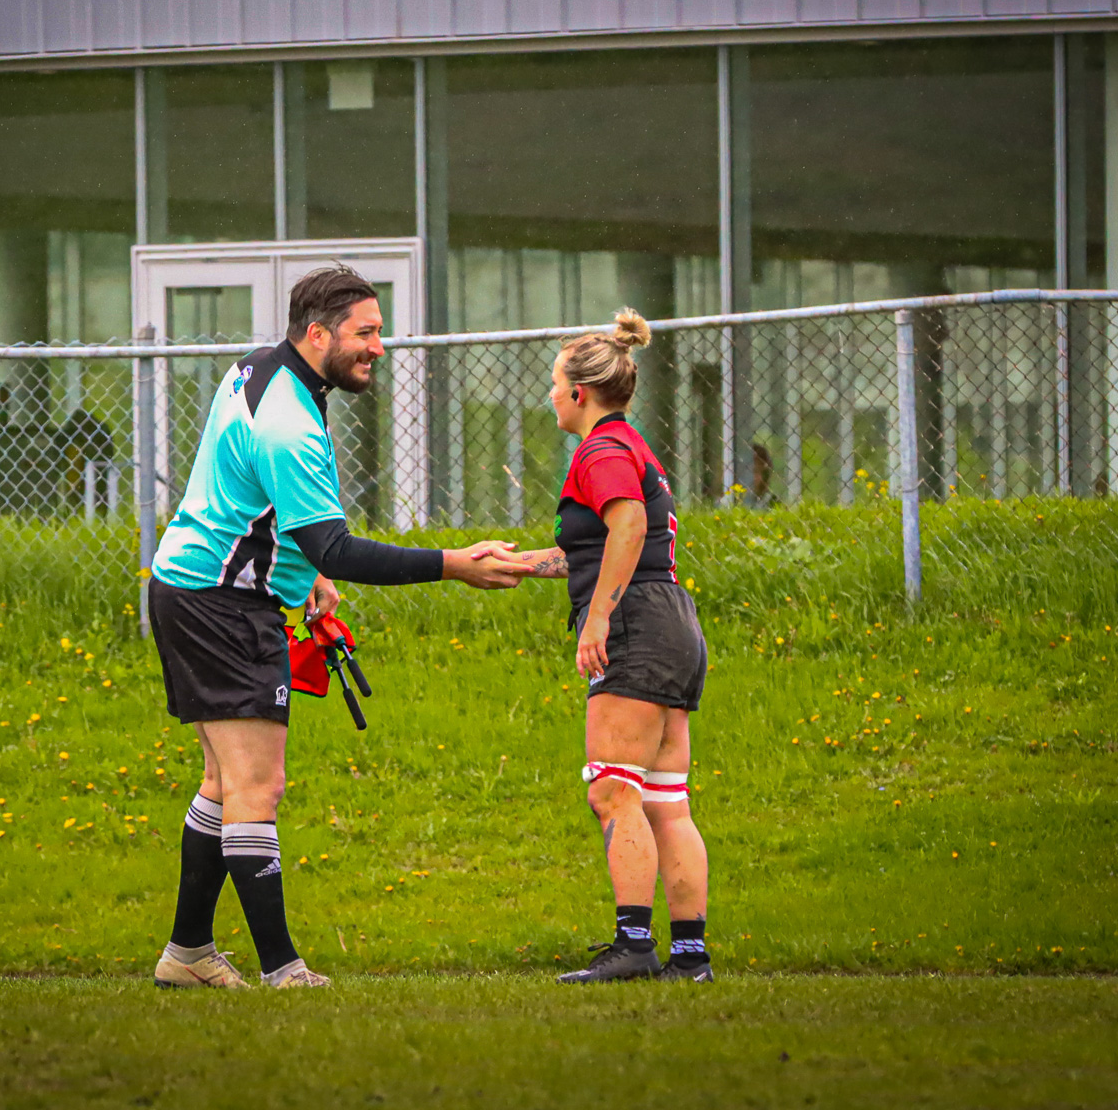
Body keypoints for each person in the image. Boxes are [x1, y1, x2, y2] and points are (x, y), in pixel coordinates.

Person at [148, 264, 530, 991]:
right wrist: (453, 564)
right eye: (366, 333)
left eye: (378, 332)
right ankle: (284, 970)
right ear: (317, 334)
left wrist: (301, 574)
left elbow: (253, 502)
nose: (379, 348)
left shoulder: (263, 367)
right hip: (221, 604)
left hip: (192, 587)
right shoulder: (292, 422)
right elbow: (338, 547)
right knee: (258, 786)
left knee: (225, 782)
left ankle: (188, 952)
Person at [508, 310, 713, 983]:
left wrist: (598, 620)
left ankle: (633, 947)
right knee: (664, 799)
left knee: (613, 791)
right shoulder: (631, 446)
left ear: (578, 394)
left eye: (552, 384)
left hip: (637, 626)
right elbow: (607, 546)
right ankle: (690, 955)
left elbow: (625, 525)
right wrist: (511, 566)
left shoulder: (598, 453)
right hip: (673, 621)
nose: (548, 395)